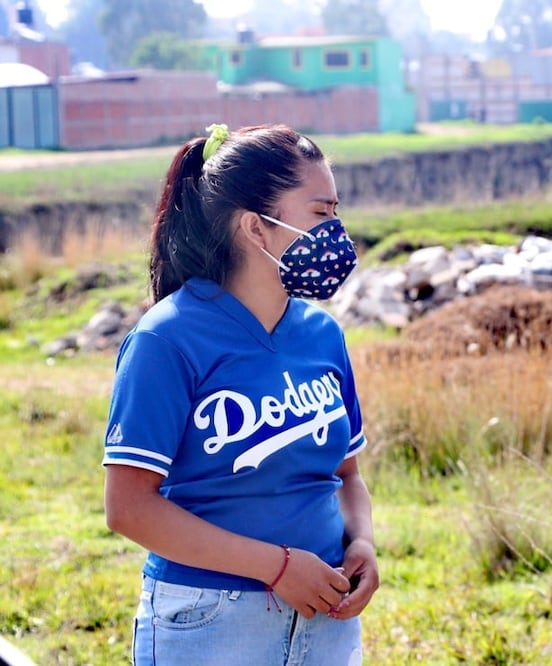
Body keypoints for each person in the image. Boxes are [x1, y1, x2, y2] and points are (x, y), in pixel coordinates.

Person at [102, 123, 378, 665]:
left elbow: (347, 475)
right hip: (210, 621)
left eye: (336, 213)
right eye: (320, 213)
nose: (336, 232)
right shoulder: (167, 338)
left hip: (327, 616)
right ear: (256, 227)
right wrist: (276, 567)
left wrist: (361, 543)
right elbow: (128, 508)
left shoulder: (323, 335)